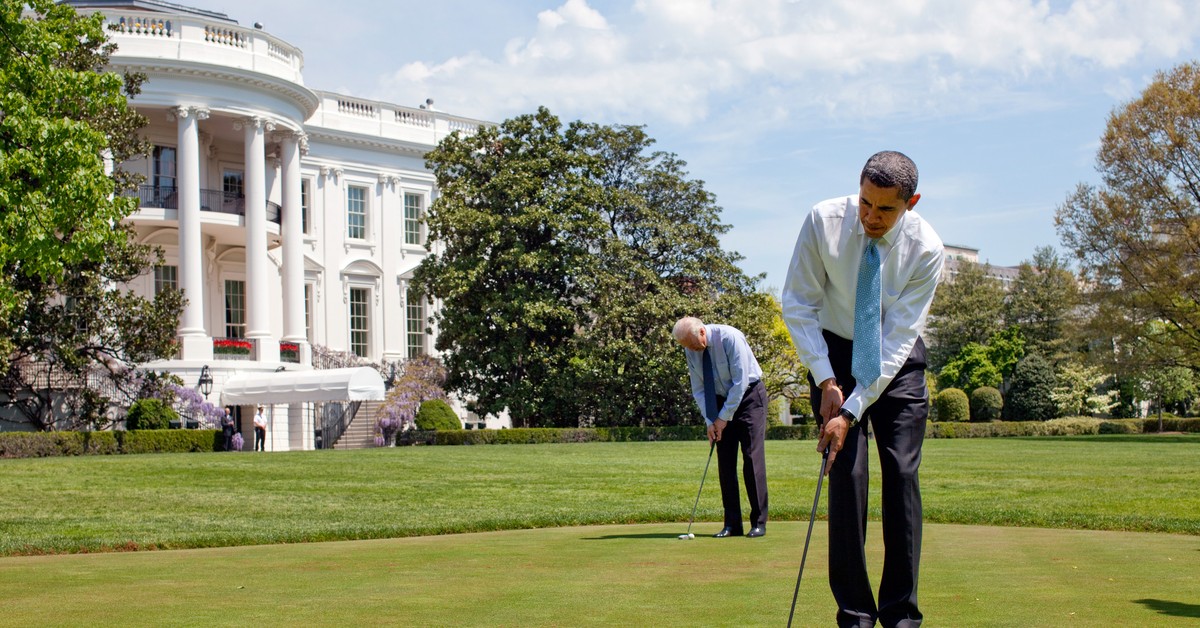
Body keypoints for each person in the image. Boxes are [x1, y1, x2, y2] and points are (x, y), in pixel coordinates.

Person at [781, 151, 944, 628]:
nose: (871, 217)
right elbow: (798, 304)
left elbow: (896, 341)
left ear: (910, 202)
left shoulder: (926, 248)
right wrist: (826, 378)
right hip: (831, 353)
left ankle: (901, 617)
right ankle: (855, 616)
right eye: (865, 203)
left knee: (901, 476)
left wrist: (850, 411)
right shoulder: (823, 220)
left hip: (897, 363)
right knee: (845, 478)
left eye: (886, 209)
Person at [672, 317, 768, 538]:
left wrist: (723, 418)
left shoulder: (730, 338)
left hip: (749, 399)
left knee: (752, 459)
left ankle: (759, 522)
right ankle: (732, 524)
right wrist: (710, 421)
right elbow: (698, 389)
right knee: (725, 462)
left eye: (694, 344)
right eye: (687, 347)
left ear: (702, 332)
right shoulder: (691, 347)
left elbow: (740, 382)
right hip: (719, 401)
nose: (693, 350)